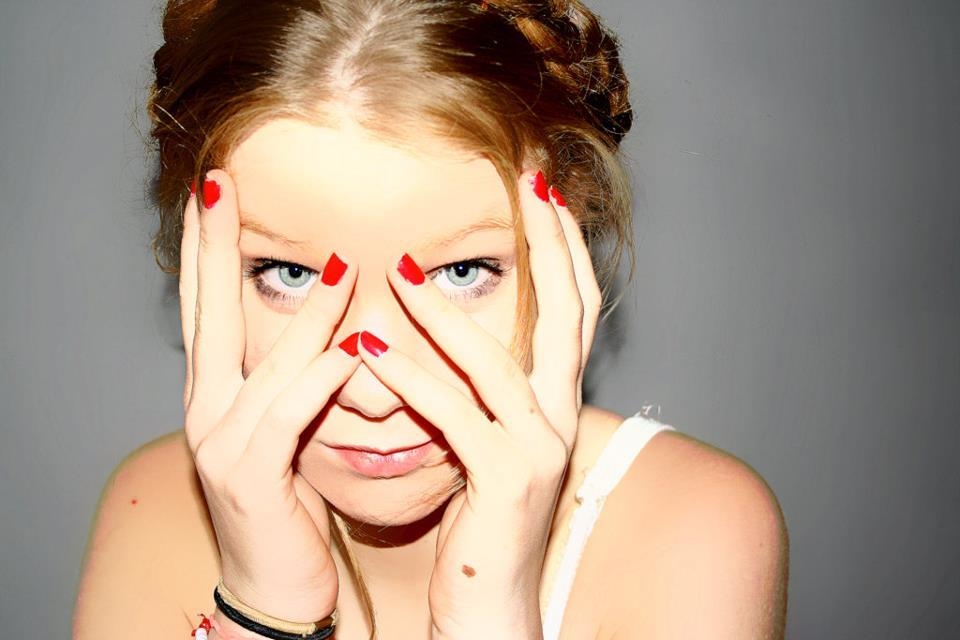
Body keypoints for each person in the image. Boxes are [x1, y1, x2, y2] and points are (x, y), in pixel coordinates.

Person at [74, 0, 788, 638]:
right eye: (290, 275)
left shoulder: (694, 527)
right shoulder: (153, 506)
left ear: (566, 252)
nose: (373, 392)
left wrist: (489, 620)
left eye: (462, 274)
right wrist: (265, 610)